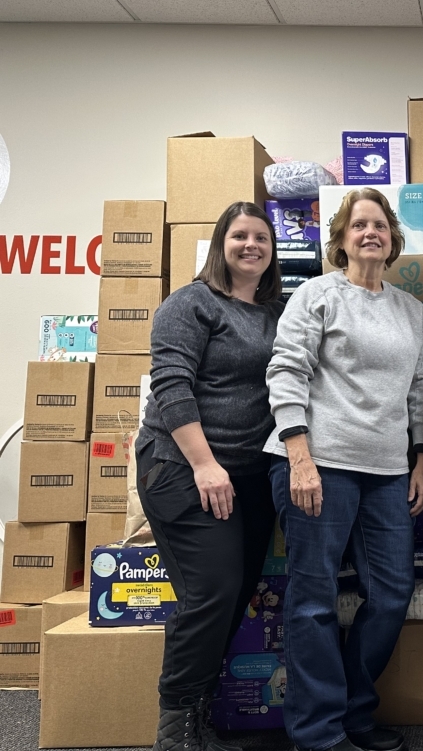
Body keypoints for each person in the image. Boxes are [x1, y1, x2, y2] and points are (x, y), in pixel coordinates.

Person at [264, 187, 423, 751]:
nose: (371, 233)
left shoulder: (409, 308)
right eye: (359, 224)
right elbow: (286, 370)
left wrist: (422, 455)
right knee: (313, 600)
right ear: (339, 238)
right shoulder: (317, 294)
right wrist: (299, 455)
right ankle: (318, 733)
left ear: (393, 238)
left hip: (387, 471)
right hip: (318, 463)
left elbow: (421, 389)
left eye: (380, 225)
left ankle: (356, 713)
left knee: (391, 593)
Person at [136, 201, 284, 751]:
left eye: (261, 238)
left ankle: (201, 717)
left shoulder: (274, 313)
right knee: (213, 591)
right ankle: (173, 733)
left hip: (247, 473)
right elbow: (170, 387)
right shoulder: (190, 303)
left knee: (238, 590)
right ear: (221, 244)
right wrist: (204, 464)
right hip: (182, 466)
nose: (251, 245)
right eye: (240, 235)